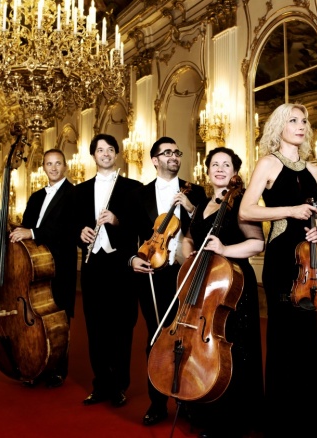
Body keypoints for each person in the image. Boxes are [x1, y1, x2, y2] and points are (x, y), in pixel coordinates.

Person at [238, 103, 317, 438]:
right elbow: (246, 210)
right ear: (279, 126)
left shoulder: (313, 169)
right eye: (293, 120)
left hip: (310, 258)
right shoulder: (268, 163)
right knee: (284, 336)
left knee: (308, 337)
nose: (301, 125)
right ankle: (283, 422)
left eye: (304, 121)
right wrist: (290, 210)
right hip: (282, 259)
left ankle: (310, 418)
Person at [180, 147, 265, 438]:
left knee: (233, 349)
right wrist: (188, 253)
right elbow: (189, 237)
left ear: (235, 172)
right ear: (207, 172)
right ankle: (206, 406)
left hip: (233, 285)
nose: (219, 169)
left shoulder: (240, 202)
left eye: (226, 165)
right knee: (207, 348)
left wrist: (225, 249)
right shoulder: (202, 203)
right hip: (206, 283)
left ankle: (233, 419)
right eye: (214, 164)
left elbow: (257, 243)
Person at [128, 136, 207, 426]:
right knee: (156, 336)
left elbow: (208, 228)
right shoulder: (139, 195)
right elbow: (128, 235)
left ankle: (186, 400)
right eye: (167, 153)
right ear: (155, 160)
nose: (174, 156)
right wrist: (132, 259)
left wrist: (191, 208)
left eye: (177, 152)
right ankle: (158, 402)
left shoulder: (196, 191)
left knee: (187, 336)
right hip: (152, 273)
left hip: (186, 272)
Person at [76, 134, 143, 408]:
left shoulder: (133, 188)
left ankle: (119, 386)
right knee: (95, 328)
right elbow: (71, 227)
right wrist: (80, 233)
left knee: (122, 327)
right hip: (93, 266)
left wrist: (117, 221)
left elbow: (140, 227)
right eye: (100, 150)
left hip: (121, 266)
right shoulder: (80, 191)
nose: (105, 153)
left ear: (116, 154)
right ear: (93, 155)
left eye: (110, 149)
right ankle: (101, 384)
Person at [9, 148, 78, 388]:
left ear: (65, 166)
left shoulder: (74, 194)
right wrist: (16, 229)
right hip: (34, 265)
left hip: (59, 265)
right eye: (49, 164)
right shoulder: (36, 196)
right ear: (44, 168)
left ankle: (58, 370)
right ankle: (35, 364)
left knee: (58, 318)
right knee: (34, 318)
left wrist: (32, 233)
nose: (54, 168)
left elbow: (68, 230)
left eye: (58, 163)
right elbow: (27, 225)